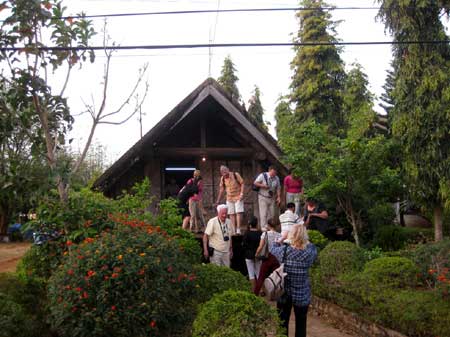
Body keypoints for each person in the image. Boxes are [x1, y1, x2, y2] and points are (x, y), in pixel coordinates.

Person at [270, 225, 317, 337]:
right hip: (302, 294)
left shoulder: (284, 252)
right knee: (301, 324)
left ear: (291, 235)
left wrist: (282, 238)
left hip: (284, 293)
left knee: (282, 323)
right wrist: (304, 239)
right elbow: (313, 247)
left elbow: (272, 248)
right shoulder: (309, 253)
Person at [253, 218, 281, 296]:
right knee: (276, 278)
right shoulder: (280, 235)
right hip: (276, 258)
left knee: (261, 277)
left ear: (268, 225)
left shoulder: (265, 234)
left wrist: (256, 254)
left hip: (267, 257)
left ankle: (255, 294)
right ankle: (276, 294)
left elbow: (261, 246)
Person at [215, 165, 245, 235]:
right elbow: (221, 189)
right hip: (229, 197)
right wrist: (218, 200)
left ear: (228, 170)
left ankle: (238, 229)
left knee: (238, 212)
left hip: (238, 196)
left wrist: (242, 194)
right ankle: (233, 229)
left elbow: (242, 183)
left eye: (226, 173)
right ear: (221, 173)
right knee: (231, 213)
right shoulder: (222, 178)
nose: (225, 175)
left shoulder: (235, 175)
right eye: (223, 173)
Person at [254, 166, 281, 231]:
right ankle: (263, 228)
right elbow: (255, 183)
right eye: (272, 173)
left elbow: (278, 188)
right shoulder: (262, 175)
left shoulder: (276, 178)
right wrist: (263, 186)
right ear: (269, 171)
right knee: (263, 213)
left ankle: (270, 226)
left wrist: (279, 197)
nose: (273, 174)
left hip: (272, 197)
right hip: (263, 196)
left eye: (275, 173)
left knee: (272, 213)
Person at [242, 216, 263, 292]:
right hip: (258, 254)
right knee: (258, 273)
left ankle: (253, 290)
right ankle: (260, 290)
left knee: (251, 274)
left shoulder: (247, 233)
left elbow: (244, 245)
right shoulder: (260, 233)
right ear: (257, 224)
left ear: (250, 224)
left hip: (249, 255)